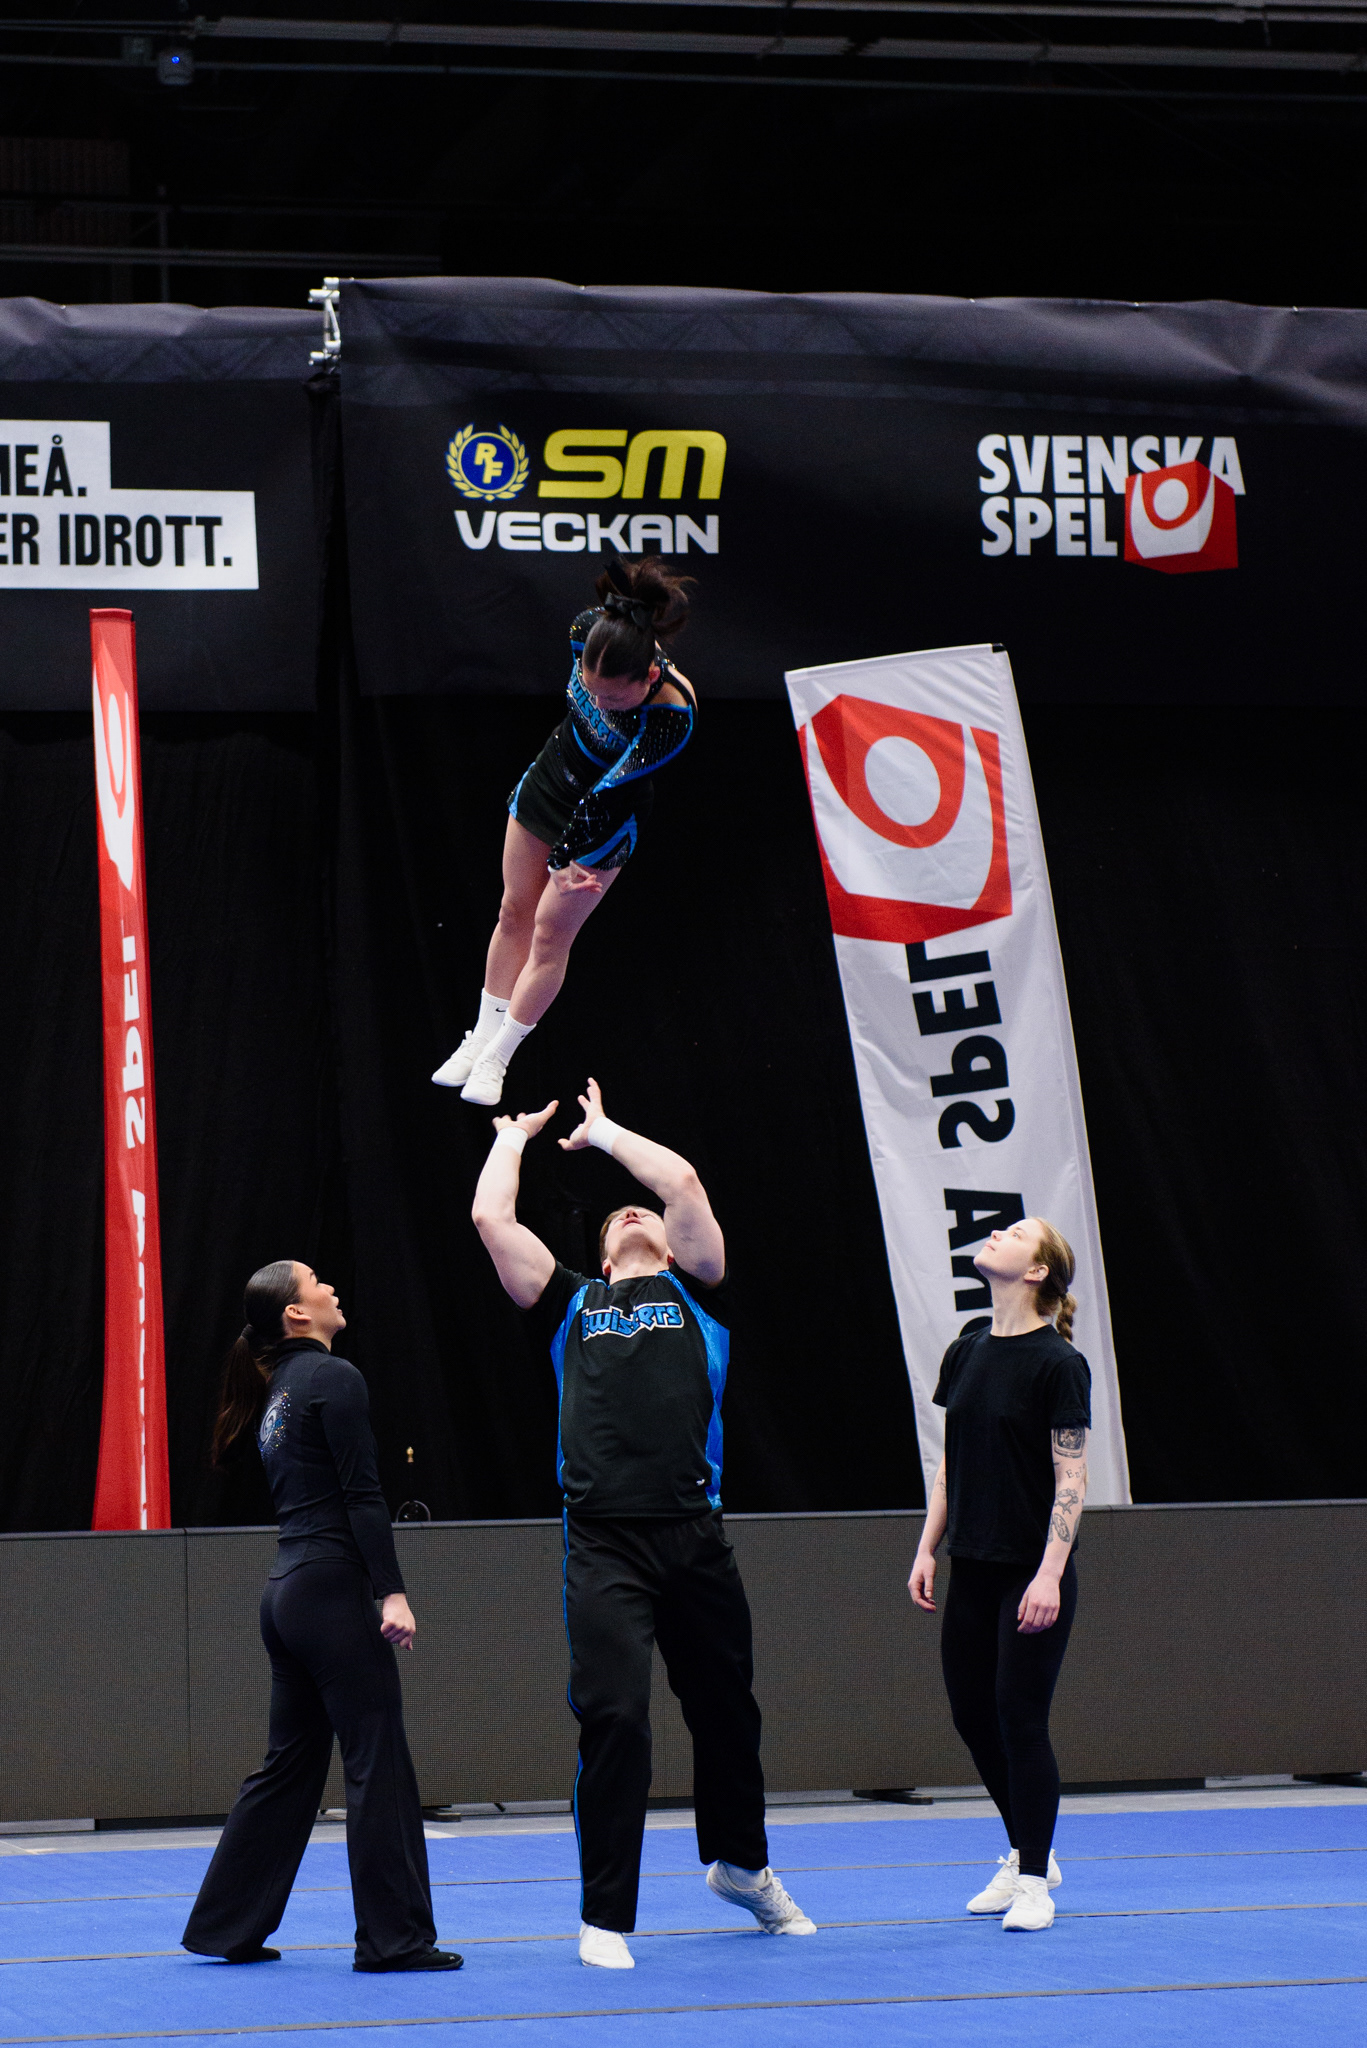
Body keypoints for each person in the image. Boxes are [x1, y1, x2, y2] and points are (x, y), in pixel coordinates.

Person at [470, 1080, 816, 1969]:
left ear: (669, 1241)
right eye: (617, 1216)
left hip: (694, 1535)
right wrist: (511, 1138)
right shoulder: (571, 1304)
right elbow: (491, 1220)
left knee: (726, 1714)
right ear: (599, 1251)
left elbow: (683, 1183)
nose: (632, 1211)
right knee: (616, 1718)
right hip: (603, 1542)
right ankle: (604, 1917)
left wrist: (606, 1134)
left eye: (644, 1212)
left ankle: (742, 1867)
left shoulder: (700, 1291)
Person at [182, 1261, 461, 1975]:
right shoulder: (333, 1377)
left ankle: (225, 1927)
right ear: (296, 1314)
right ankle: (394, 1940)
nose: (331, 1286)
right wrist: (390, 1592)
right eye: (316, 1281)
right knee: (376, 1759)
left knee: (288, 1765)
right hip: (331, 1591)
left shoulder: (279, 1389)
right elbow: (362, 1495)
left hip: (288, 1593)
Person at [433, 556, 696, 1108]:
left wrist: (564, 860)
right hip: (552, 778)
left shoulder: (672, 713)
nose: (598, 704)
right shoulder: (587, 632)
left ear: (649, 677)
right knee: (513, 910)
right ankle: (479, 1038)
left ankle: (500, 1056)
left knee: (550, 935)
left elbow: (608, 794)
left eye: (613, 699)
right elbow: (589, 692)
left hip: (604, 818)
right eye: (590, 691)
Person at [907, 1218, 1090, 1934]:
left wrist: (1049, 1575)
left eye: (1015, 1233)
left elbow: (1071, 1478)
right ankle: (1026, 1851)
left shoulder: (1058, 1363)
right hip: (972, 1567)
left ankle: (1035, 1882)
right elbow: (949, 1466)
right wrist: (927, 1548)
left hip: (1030, 1570)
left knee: (1020, 1716)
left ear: (1037, 1270)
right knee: (971, 1714)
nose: (995, 1236)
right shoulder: (966, 1350)